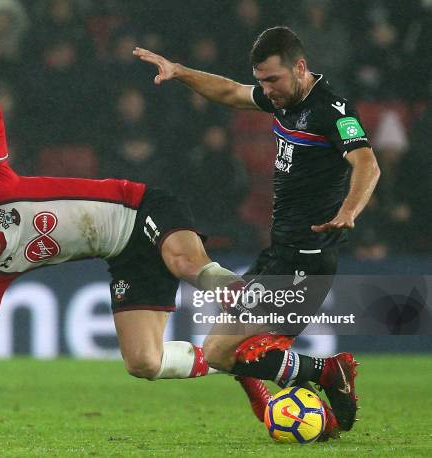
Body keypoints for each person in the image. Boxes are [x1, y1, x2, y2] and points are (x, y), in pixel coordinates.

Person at [0, 48, 358, 442]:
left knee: (186, 261)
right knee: (143, 363)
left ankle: (243, 311)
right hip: (124, 256)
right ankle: (252, 362)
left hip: (143, 207)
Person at [134, 26, 380, 437]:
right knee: (229, 348)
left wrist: (350, 209)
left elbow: (367, 163)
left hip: (307, 261)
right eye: (262, 81)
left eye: (273, 80)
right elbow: (230, 92)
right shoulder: (282, 98)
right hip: (279, 253)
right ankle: (306, 386)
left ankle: (326, 372)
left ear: (300, 67)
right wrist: (179, 71)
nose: (266, 90)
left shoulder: (331, 110)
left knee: (221, 351)